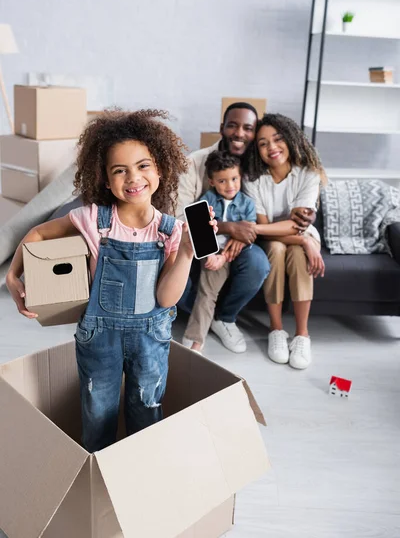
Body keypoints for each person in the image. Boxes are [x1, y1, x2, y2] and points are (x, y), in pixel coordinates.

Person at [6, 110, 215, 453]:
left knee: (146, 414)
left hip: (151, 340)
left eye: (143, 165)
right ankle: (98, 480)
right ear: (105, 179)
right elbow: (38, 233)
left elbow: (165, 299)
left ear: (160, 169)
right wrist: (14, 275)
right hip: (98, 339)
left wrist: (188, 253)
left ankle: (138, 474)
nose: (133, 177)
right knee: (97, 416)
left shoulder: (172, 231)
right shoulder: (92, 219)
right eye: (120, 170)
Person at [177, 102, 270, 352]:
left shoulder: (260, 166)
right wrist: (228, 227)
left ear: (255, 132)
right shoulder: (194, 163)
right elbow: (181, 215)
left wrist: (237, 241)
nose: (239, 133)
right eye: (233, 125)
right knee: (181, 269)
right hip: (201, 240)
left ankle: (224, 318)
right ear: (222, 128)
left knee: (258, 264)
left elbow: (254, 222)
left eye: (248, 128)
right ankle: (199, 325)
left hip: (237, 246)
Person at [245, 113, 327, 370]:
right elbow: (269, 230)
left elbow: (297, 225)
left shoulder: (308, 174)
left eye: (278, 139)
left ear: (290, 139)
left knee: (296, 251)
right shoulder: (253, 178)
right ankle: (276, 330)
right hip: (273, 241)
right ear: (257, 150)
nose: (272, 148)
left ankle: (302, 334)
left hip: (298, 237)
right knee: (279, 249)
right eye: (263, 143)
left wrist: (303, 241)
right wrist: (302, 240)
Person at [182, 150, 258, 353]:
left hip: (236, 251)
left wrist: (225, 256)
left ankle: (223, 320)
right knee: (207, 291)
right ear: (212, 181)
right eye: (222, 181)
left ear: (240, 176)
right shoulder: (207, 199)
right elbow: (199, 229)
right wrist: (211, 256)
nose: (230, 185)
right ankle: (195, 340)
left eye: (234, 179)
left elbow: (247, 234)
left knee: (255, 265)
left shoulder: (247, 204)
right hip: (212, 251)